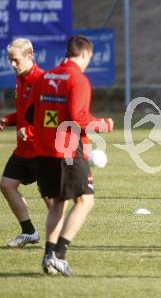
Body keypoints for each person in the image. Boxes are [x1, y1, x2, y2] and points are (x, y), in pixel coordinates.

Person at [25, 35, 114, 276]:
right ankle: (59, 255)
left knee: (58, 204)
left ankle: (48, 256)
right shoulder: (78, 80)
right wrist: (104, 124)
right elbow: (79, 120)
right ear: (85, 54)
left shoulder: (44, 77)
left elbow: (31, 113)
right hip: (67, 151)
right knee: (86, 201)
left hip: (43, 150)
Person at [0, 38, 52, 248]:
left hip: (41, 149)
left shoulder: (42, 81)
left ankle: (60, 238)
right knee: (6, 184)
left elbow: (50, 117)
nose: (12, 64)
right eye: (10, 60)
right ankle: (29, 231)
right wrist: (8, 120)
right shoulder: (21, 79)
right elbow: (25, 113)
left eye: (16, 60)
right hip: (23, 150)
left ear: (30, 57)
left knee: (49, 196)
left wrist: (30, 131)